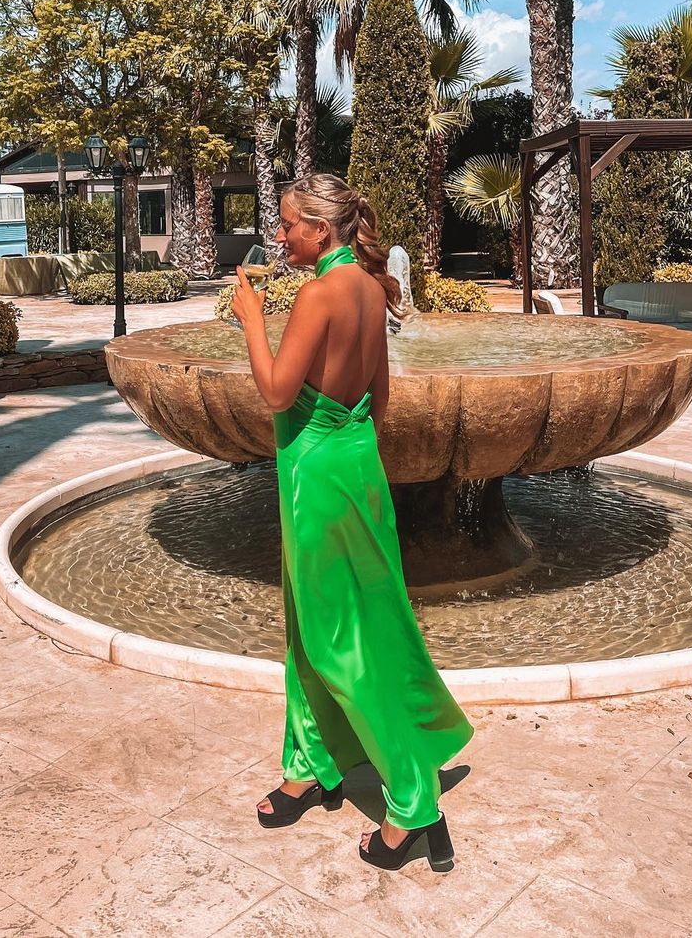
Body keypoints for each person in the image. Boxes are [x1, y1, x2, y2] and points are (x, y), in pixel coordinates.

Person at [230, 173, 473, 872]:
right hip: (358, 464)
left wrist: (252, 318)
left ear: (320, 229)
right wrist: (345, 438)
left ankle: (414, 802)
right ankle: (311, 764)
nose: (280, 236)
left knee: (336, 640)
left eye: (288, 225)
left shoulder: (320, 292)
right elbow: (381, 397)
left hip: (318, 475)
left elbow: (277, 391)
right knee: (334, 626)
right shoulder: (371, 288)